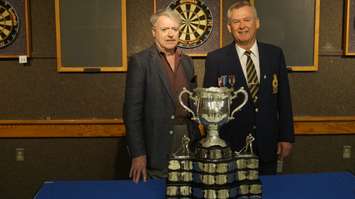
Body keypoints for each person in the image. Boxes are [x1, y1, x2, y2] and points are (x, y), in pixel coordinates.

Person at [203, 0, 295, 175]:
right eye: (236, 21)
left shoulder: (274, 54)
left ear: (257, 23)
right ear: (229, 27)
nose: (242, 25)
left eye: (247, 20)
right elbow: (209, 107)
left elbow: (284, 99)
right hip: (230, 147)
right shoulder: (216, 59)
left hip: (267, 145)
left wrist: (286, 136)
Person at [123, 8, 200, 183]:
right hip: (155, 144)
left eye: (174, 29)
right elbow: (131, 113)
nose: (170, 34)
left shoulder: (187, 62)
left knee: (187, 187)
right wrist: (138, 153)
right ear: (154, 32)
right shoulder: (140, 62)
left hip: (188, 140)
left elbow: (193, 104)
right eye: (165, 29)